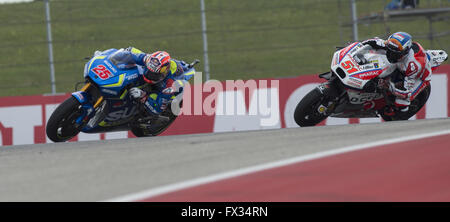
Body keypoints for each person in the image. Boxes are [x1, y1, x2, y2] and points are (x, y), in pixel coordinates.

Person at [356, 32, 431, 114]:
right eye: (389, 50)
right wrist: (358, 48)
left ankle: (402, 113)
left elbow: (406, 93)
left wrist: (388, 86)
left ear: (404, 53)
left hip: (420, 77)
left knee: (402, 102)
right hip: (400, 66)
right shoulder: (393, 45)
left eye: (395, 53)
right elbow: (374, 41)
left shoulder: (412, 66)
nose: (390, 55)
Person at [107, 47, 191, 116]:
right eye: (148, 70)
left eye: (154, 75)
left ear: (163, 73)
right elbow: (130, 51)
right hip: (163, 66)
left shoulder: (170, 84)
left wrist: (143, 96)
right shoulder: (147, 59)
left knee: (160, 97)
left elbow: (157, 109)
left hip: (173, 82)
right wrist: (110, 57)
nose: (149, 75)